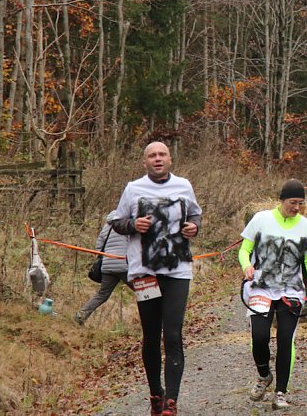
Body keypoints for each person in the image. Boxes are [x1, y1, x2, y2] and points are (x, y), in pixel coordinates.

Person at [110, 141, 202, 416]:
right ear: (145, 162)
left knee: (172, 335)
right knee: (151, 336)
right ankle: (155, 394)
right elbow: (116, 221)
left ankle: (171, 402)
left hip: (178, 271)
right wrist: (132, 225)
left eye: (162, 155)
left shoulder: (184, 186)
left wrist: (194, 226)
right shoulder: (133, 189)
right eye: (152, 155)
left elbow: (196, 214)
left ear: (170, 159)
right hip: (144, 273)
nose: (157, 159)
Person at [240, 179, 307, 410]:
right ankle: (264, 375)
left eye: (301, 203)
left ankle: (281, 392)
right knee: (259, 337)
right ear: (282, 200)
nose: (297, 207)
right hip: (260, 286)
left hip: (291, 290)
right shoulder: (261, 220)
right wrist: (246, 266)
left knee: (286, 339)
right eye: (293, 202)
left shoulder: (306, 225)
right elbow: (244, 250)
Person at [75, 211, 131, 325]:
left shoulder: (107, 226)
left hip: (107, 265)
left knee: (102, 294)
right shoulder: (128, 224)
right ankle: (159, 320)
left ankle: (81, 314)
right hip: (125, 265)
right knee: (144, 292)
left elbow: (98, 247)